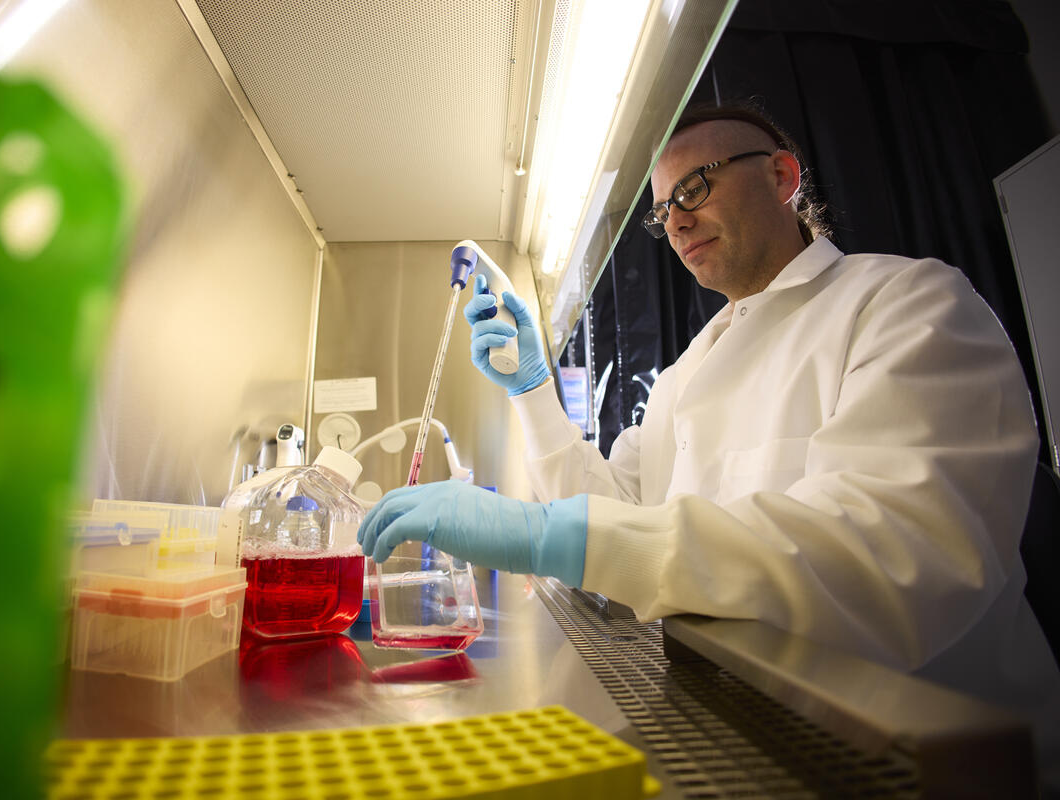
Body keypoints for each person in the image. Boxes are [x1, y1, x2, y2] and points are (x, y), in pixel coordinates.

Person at [358, 102, 1060, 784]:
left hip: (933, 763)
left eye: (695, 187)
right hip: (747, 738)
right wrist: (534, 392)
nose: (676, 220)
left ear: (782, 177)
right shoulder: (685, 375)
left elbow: (893, 554)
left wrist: (552, 533)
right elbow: (616, 516)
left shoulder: (905, 304)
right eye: (663, 210)